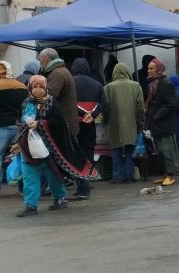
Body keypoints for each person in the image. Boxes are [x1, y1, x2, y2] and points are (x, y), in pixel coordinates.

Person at [16, 76, 72, 216]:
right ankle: (30, 205)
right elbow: (20, 123)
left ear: (46, 88)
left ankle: (60, 199)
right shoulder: (25, 103)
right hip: (27, 147)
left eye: (41, 87)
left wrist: (40, 124)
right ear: (30, 88)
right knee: (29, 176)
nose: (38, 90)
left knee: (52, 174)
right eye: (35, 87)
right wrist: (18, 142)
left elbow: (59, 123)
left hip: (47, 147)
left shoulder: (52, 103)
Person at [0, 61, 29, 199]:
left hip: (3, 127)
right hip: (20, 126)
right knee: (22, 156)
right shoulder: (22, 86)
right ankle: (24, 188)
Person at [103, 63, 145, 184]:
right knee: (129, 150)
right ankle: (129, 176)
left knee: (116, 150)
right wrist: (140, 124)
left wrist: (106, 119)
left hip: (114, 123)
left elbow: (105, 107)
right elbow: (140, 108)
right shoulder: (136, 86)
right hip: (132, 124)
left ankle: (117, 177)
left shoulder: (108, 88)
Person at [70, 57, 105, 200]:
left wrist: (81, 113)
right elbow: (103, 103)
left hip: (73, 123)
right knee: (88, 153)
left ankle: (82, 186)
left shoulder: (70, 82)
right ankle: (85, 184)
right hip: (89, 123)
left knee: (75, 154)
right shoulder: (97, 84)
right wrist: (92, 114)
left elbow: (67, 103)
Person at [145, 58, 179, 186]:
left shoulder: (166, 83)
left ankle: (171, 175)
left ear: (158, 69)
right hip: (157, 123)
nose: (149, 71)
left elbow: (172, 103)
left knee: (167, 150)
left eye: (151, 68)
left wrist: (156, 115)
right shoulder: (154, 83)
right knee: (160, 150)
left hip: (164, 123)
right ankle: (165, 174)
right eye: (148, 68)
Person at [38, 48, 78, 139]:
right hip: (65, 122)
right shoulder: (60, 70)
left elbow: (48, 96)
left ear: (45, 58)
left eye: (40, 59)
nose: (39, 62)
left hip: (63, 124)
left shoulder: (57, 73)